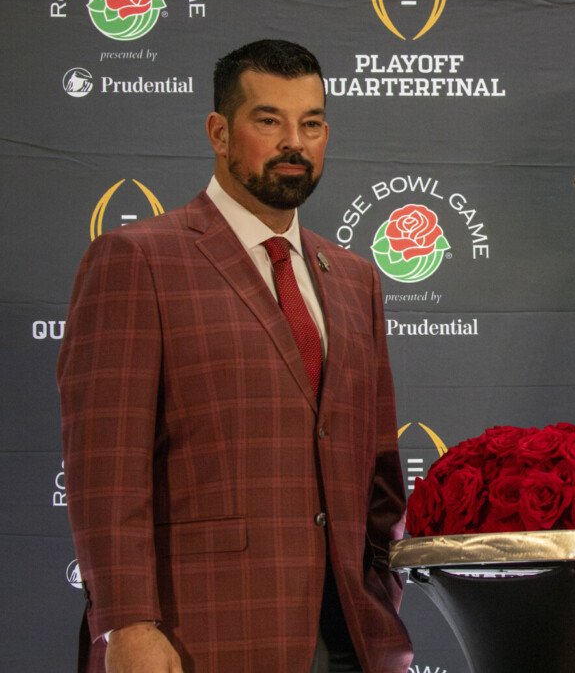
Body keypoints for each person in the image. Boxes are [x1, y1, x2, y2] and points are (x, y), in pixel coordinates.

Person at [59, 39, 413, 673]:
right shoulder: (139, 259)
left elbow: (379, 463)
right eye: (268, 120)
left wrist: (380, 593)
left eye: (310, 123)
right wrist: (127, 625)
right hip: (201, 635)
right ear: (219, 132)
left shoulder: (356, 277)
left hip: (353, 637)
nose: (293, 143)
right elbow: (106, 469)